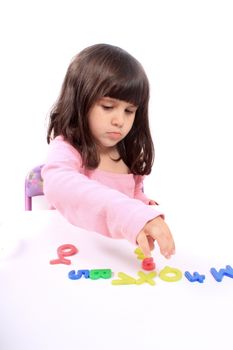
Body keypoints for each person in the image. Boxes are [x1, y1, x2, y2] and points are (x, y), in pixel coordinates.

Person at [42, 43, 175, 259]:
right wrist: (131, 214)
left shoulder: (127, 152)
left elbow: (133, 194)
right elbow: (58, 184)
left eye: (129, 111)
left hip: (116, 256)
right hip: (74, 254)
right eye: (107, 107)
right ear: (79, 102)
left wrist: (143, 205)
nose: (119, 121)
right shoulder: (68, 148)